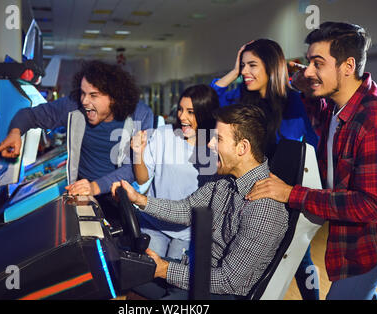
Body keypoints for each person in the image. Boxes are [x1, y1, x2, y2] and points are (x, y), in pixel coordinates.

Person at [246, 22, 377, 300]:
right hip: (347, 239)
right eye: (308, 62)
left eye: (318, 63)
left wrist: (291, 194)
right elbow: (313, 107)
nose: (309, 70)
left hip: (372, 244)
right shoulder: (337, 107)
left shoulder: (376, 119)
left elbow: (371, 206)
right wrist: (302, 82)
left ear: (348, 66)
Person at [112, 104, 289, 299]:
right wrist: (139, 199)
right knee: (126, 274)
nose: (210, 144)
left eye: (218, 139)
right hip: (197, 270)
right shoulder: (224, 178)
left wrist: (165, 270)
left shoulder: (265, 206)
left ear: (242, 147)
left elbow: (228, 281)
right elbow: (187, 210)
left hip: (223, 292)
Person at [211, 39, 320, 299]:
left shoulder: (294, 102)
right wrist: (236, 70)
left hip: (284, 195)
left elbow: (307, 148)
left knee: (300, 259)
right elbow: (213, 93)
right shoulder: (243, 99)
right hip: (251, 194)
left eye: (252, 65)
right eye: (243, 65)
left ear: (271, 67)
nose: (245, 71)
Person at [0, 60, 154, 221]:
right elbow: (30, 115)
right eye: (83, 93)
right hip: (81, 188)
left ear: (113, 98)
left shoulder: (140, 115)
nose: (84, 101)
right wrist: (15, 132)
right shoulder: (73, 105)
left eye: (93, 95)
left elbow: (135, 168)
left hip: (120, 194)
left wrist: (95, 187)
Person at [131, 84, 218, 261]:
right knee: (149, 270)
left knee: (175, 281)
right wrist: (137, 153)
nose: (182, 116)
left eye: (191, 112)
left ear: (206, 113)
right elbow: (142, 180)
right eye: (180, 109)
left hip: (189, 231)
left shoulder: (215, 146)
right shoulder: (164, 135)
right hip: (153, 223)